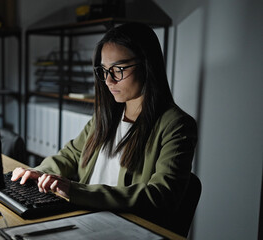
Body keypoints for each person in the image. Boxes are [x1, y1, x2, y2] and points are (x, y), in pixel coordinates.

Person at [12, 22, 197, 229]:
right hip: (82, 219)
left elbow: (161, 195)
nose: (108, 80)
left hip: (122, 227)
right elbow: (71, 155)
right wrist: (41, 172)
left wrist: (77, 191)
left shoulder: (176, 125)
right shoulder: (108, 115)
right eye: (104, 70)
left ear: (147, 64)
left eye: (118, 69)